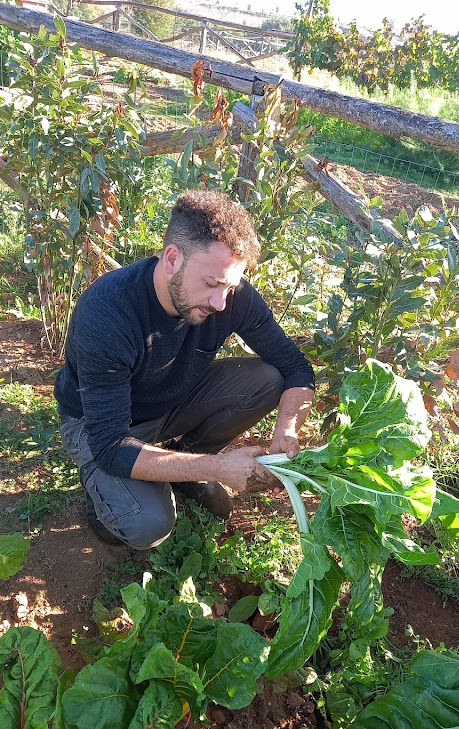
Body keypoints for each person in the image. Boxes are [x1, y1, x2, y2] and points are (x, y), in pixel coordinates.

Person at [54, 189, 315, 549]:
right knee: (148, 524)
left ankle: (184, 466)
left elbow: (295, 367)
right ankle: (106, 502)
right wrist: (217, 468)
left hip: (170, 400)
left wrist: (287, 429)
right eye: (211, 284)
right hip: (103, 426)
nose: (221, 302)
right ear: (172, 259)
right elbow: (111, 445)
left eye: (231, 285)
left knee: (267, 379)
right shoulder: (108, 314)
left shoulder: (226, 295)